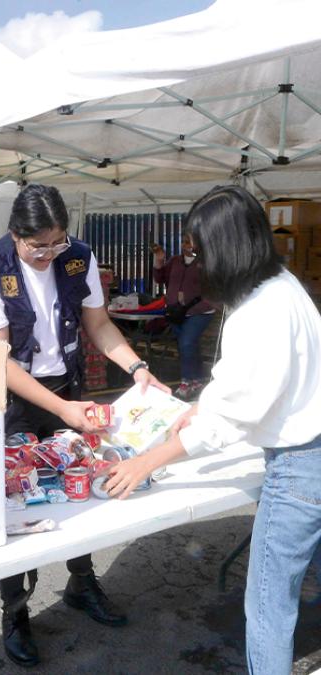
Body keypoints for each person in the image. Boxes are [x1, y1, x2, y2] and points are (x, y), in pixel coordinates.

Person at [107, 185, 321, 675]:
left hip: (300, 467)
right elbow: (241, 387)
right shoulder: (281, 285)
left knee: (268, 604)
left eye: (198, 250)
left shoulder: (260, 311)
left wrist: (146, 460)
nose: (195, 260)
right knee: (300, 578)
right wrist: (201, 405)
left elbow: (230, 420)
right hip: (313, 452)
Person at [0, 184, 168, 668]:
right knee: (17, 502)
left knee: (78, 487)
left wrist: (138, 369)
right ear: (16, 235)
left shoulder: (78, 258)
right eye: (39, 246)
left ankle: (81, 580)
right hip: (13, 396)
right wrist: (59, 409)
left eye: (59, 242)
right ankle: (15, 613)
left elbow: (99, 325)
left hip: (67, 387)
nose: (50, 254)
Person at [153, 234, 215, 399]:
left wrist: (198, 306)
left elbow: (215, 288)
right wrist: (159, 260)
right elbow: (159, 279)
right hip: (176, 312)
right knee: (187, 347)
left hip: (199, 311)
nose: (185, 245)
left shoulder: (206, 263)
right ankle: (197, 380)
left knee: (186, 343)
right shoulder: (174, 261)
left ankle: (186, 381)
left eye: (189, 242)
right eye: (184, 241)